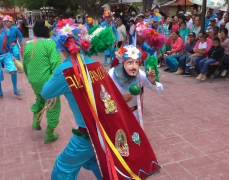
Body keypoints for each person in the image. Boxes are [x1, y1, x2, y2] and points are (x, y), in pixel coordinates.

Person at [42, 19, 160, 180]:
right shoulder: (96, 65)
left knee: (64, 166)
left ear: (62, 47)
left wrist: (57, 70)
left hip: (88, 132)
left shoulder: (65, 71)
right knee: (94, 161)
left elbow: (46, 92)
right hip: (106, 128)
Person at [23, 20, 62, 144]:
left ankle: (36, 122)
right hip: (47, 81)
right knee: (53, 105)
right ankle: (50, 134)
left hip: (34, 80)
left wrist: (30, 78)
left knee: (40, 99)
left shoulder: (29, 45)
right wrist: (56, 82)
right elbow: (56, 65)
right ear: (47, 31)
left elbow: (25, 65)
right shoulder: (50, 44)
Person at [109, 45, 164, 125]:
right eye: (130, 62)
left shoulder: (140, 75)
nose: (134, 66)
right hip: (118, 115)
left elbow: (159, 90)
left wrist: (153, 82)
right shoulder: (112, 74)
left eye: (136, 62)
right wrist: (118, 100)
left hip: (134, 116)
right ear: (123, 62)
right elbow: (104, 95)